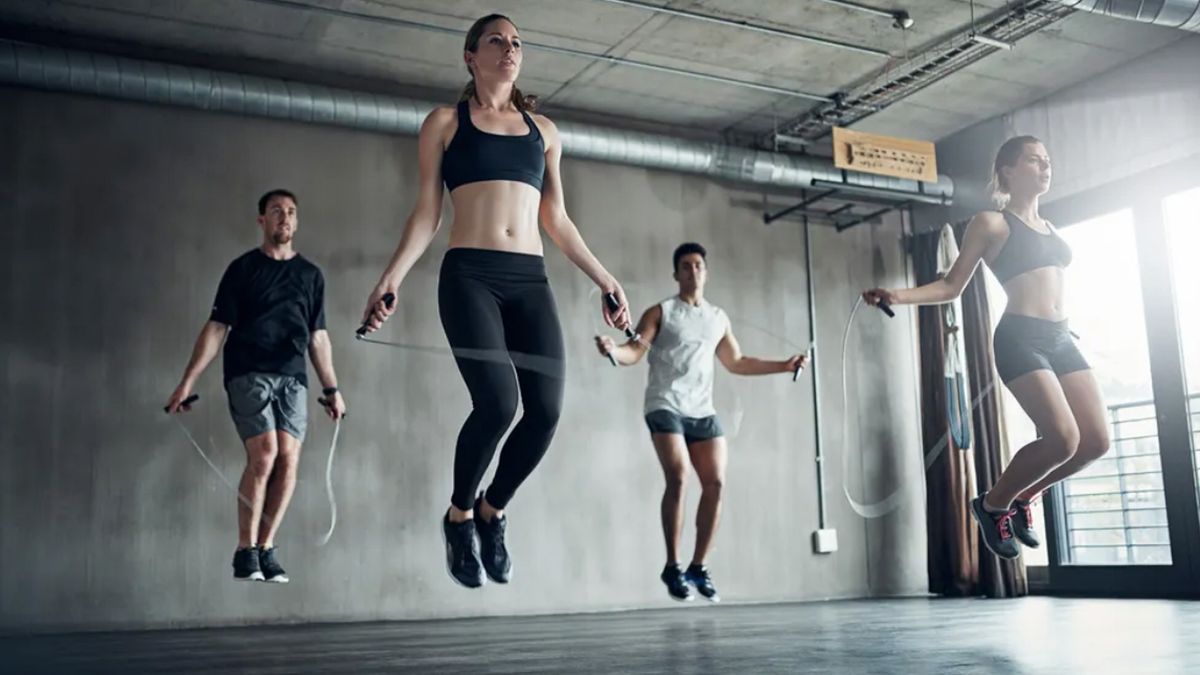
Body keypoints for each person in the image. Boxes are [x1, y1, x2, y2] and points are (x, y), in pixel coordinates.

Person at [360, 14, 632, 589]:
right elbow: (428, 213)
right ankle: (460, 515)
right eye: (496, 41)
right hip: (470, 277)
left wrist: (605, 279)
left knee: (547, 411)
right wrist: (391, 278)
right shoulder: (443, 123)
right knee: (497, 404)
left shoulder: (544, 131)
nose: (509, 49)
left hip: (529, 279)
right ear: (470, 56)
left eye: (516, 43)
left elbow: (555, 217)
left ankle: (492, 511)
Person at [862, 136, 1110, 559]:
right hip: (1021, 339)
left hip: (1062, 338)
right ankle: (993, 504)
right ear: (1008, 170)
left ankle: (1022, 497)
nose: (1045, 167)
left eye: (1047, 161)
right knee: (1063, 439)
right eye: (1034, 160)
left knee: (1096, 443)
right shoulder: (992, 224)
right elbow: (951, 285)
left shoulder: (1050, 227)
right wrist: (897, 296)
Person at [595, 242, 808, 601]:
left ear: (705, 272)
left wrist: (784, 365)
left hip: (702, 410)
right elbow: (635, 350)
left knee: (717, 484)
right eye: (685, 266)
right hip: (665, 405)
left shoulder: (717, 318)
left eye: (698, 265)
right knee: (679, 477)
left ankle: (698, 566)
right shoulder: (661, 311)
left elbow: (737, 362)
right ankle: (673, 565)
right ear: (675, 274)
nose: (693, 271)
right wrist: (613, 350)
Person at [166, 189, 346, 582]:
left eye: (291, 212)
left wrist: (332, 389)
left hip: (293, 378)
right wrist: (187, 382)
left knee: (289, 459)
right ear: (261, 220)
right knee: (265, 454)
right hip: (248, 371)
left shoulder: (310, 275)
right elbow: (217, 328)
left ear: (296, 222)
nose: (284, 217)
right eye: (276, 211)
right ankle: (244, 549)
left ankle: (265, 548)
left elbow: (318, 337)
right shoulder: (243, 269)